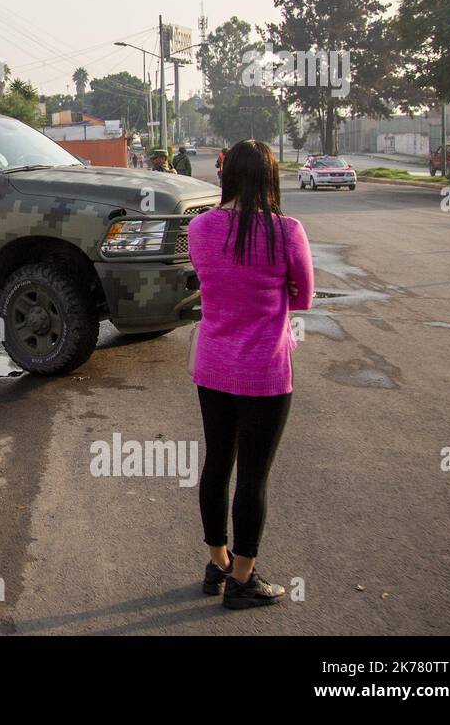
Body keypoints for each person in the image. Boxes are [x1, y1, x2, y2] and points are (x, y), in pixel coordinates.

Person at [187, 139, 314, 609]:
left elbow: (209, 281)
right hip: (265, 370)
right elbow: (303, 298)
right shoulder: (288, 231)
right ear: (270, 179)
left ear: (226, 177)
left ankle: (218, 563)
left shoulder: (200, 228)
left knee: (217, 464)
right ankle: (243, 579)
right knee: (253, 477)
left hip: (214, 365)